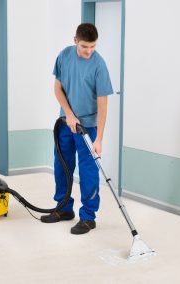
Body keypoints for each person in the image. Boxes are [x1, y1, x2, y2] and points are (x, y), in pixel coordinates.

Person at [41, 23, 113, 235]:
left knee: (88, 172)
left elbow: (103, 105)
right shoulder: (64, 56)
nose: (89, 51)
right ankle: (63, 209)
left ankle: (88, 217)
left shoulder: (99, 65)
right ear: (75, 41)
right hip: (65, 124)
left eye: (92, 47)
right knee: (62, 166)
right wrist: (69, 114)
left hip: (88, 128)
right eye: (84, 47)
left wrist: (99, 138)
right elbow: (58, 88)